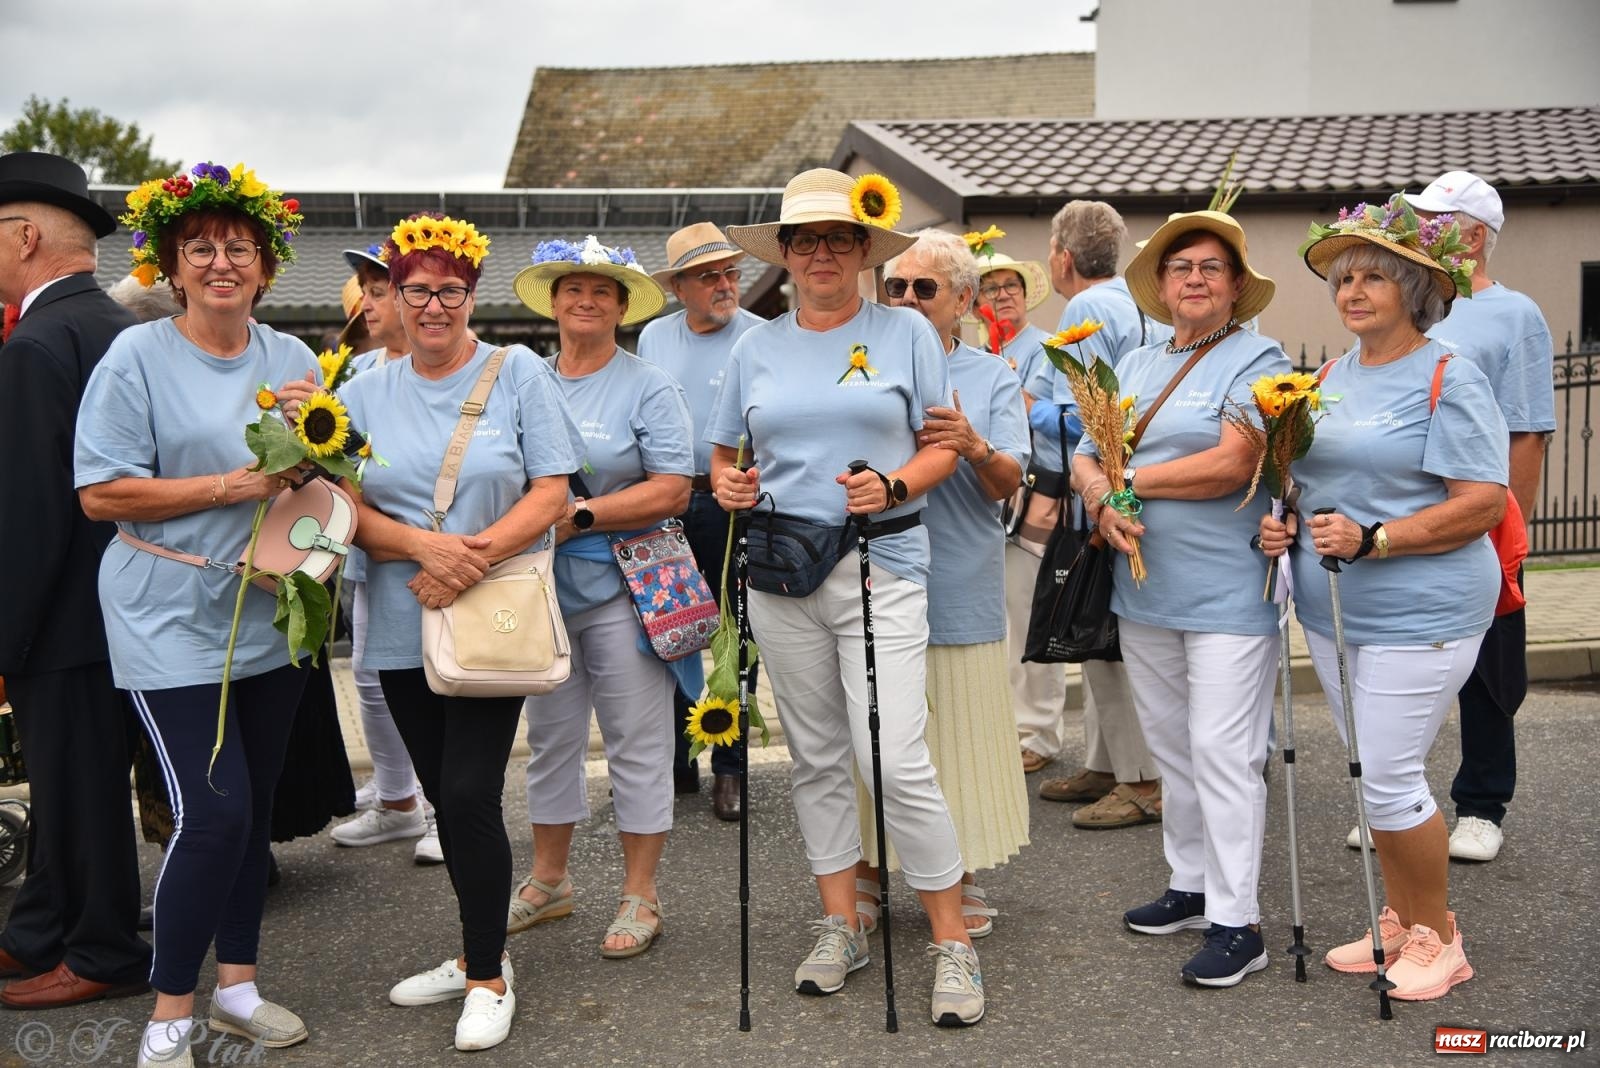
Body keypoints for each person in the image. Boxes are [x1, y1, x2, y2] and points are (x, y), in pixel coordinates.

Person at [710, 168, 987, 1027]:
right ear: (786, 255)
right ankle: (841, 924)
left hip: (882, 563)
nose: (821, 252)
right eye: (804, 240)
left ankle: (953, 940)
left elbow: (943, 448)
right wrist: (730, 486)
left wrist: (896, 482)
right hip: (783, 570)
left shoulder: (906, 331)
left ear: (864, 250)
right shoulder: (751, 344)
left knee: (893, 758)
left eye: (838, 238)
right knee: (821, 757)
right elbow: (724, 455)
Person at [74, 160, 322, 1066]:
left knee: (251, 815)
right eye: (202, 248)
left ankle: (239, 988)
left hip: (269, 606)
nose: (222, 262)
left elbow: (323, 478)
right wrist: (235, 482)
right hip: (166, 611)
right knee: (211, 816)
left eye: (240, 248)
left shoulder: (293, 358)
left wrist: (318, 444)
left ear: (264, 266)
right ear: (172, 267)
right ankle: (169, 1013)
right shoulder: (135, 356)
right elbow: (100, 494)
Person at [338, 212, 580, 1051]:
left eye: (449, 290)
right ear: (393, 298)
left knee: (472, 793)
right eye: (416, 291)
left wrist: (469, 559)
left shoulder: (518, 373)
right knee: (446, 795)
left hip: (491, 615)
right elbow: (345, 506)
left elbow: (553, 490)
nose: (433, 306)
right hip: (403, 618)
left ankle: (485, 975)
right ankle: (480, 948)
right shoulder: (362, 388)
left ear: (470, 294)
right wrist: (423, 548)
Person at [1260, 194, 1508, 1001]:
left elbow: (1482, 502)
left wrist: (1378, 539)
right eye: (1343, 278)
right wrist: (1284, 521)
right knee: (1371, 777)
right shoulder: (1329, 375)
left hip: (1424, 611)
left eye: (1373, 277)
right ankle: (1399, 918)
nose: (1352, 290)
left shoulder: (1447, 374)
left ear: (1416, 290)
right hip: (1337, 610)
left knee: (1394, 776)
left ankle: (1442, 938)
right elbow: (1316, 482)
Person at [1074, 210, 1287, 988]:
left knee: (1226, 755)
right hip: (1145, 593)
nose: (1193, 278)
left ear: (1235, 287)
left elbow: (1233, 463)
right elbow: (1085, 452)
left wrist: (1125, 482)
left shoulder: (1261, 358)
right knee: (1172, 750)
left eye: (1210, 268)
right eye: (1179, 268)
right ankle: (1191, 885)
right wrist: (1100, 497)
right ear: (1160, 287)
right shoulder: (1132, 364)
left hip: (1230, 593)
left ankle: (1240, 922)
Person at [509, 235, 691, 961]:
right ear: (553, 303)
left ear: (621, 307)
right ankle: (550, 879)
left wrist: (583, 514)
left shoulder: (649, 384)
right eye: (572, 290)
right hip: (539, 589)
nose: (585, 301)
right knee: (550, 739)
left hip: (626, 583)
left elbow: (674, 486)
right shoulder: (525, 380)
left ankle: (640, 893)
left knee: (636, 742)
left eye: (602, 292)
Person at [0, 151, 150, 1011]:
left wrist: (5, 633)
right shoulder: (126, 331)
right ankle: (41, 928)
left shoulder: (38, 344)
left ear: (26, 237)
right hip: (130, 596)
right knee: (75, 782)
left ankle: (101, 947)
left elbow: (29, 512)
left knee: (76, 785)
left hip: (62, 612)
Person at [855, 227, 1030, 939]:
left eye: (924, 289)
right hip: (867, 573)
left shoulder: (992, 376)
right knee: (869, 732)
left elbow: (1009, 481)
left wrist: (974, 445)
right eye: (894, 287)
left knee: (954, 732)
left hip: (958, 574)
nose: (906, 299)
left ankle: (957, 873)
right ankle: (866, 868)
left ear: (962, 299)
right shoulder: (858, 363)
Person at [1403, 171, 1554, 864]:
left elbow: (1526, 429)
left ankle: (1483, 805)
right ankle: (1405, 808)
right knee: (1409, 664)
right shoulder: (1415, 300)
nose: (1421, 228)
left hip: (1479, 514)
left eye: (1434, 219)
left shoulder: (1513, 313)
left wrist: (1509, 527)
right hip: (1406, 515)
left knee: (1489, 668)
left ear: (1472, 234)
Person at [1029, 201, 1169, 828]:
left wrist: (1014, 405)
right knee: (1111, 636)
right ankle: (1108, 762)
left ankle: (1139, 777)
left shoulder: (1086, 308)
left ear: (1063, 257)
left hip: (1098, 493)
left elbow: (1075, 415)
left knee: (1105, 638)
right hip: (1133, 483)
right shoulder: (1137, 301)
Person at [637, 222, 765, 821]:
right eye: (709, 275)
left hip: (733, 502)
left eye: (730, 272)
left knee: (732, 636)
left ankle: (731, 768)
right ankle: (677, 762)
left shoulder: (762, 338)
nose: (724, 284)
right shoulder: (654, 338)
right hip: (665, 501)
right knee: (668, 630)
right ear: (679, 287)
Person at [327, 244, 441, 865]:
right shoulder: (360, 379)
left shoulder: (447, 372)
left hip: (450, 557)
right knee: (372, 680)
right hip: (375, 552)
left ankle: (447, 810)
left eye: (378, 290)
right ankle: (399, 802)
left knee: (449, 680)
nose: (365, 304)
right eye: (365, 290)